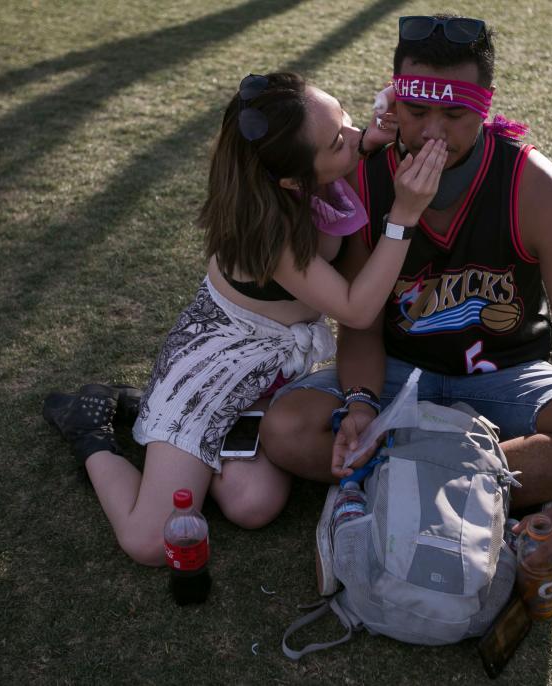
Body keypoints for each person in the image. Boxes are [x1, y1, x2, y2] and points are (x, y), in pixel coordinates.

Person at [262, 16, 552, 577]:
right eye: (417, 112)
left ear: (484, 107)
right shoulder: (366, 176)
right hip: (398, 368)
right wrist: (361, 401)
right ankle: (464, 485)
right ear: (394, 100)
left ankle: (392, 482)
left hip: (504, 373)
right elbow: (360, 326)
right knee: (286, 429)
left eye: (455, 114)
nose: (433, 131)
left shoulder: (536, 188)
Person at [42, 72, 447, 566]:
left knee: (254, 503)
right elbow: (357, 308)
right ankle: (92, 429)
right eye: (340, 139)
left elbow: (342, 145)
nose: (355, 133)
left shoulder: (284, 169)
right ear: (293, 180)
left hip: (268, 375)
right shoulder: (268, 232)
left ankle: (156, 421)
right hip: (212, 369)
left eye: (343, 117)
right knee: (151, 542)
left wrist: (363, 142)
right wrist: (404, 214)